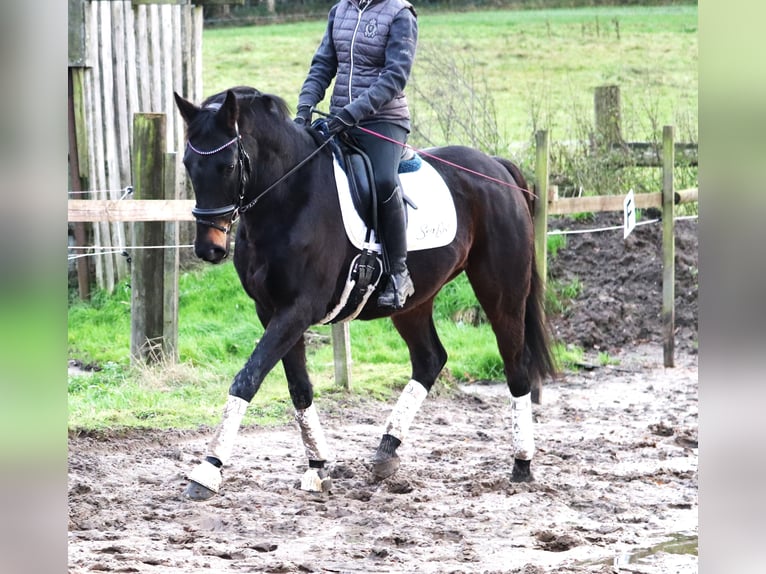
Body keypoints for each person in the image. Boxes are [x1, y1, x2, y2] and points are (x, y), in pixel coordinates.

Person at [294, 0, 418, 309]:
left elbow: (394, 77)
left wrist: (352, 113)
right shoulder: (340, 10)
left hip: (383, 121)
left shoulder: (401, 14)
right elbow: (323, 65)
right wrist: (304, 108)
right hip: (340, 119)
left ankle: (398, 273)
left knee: (383, 180)